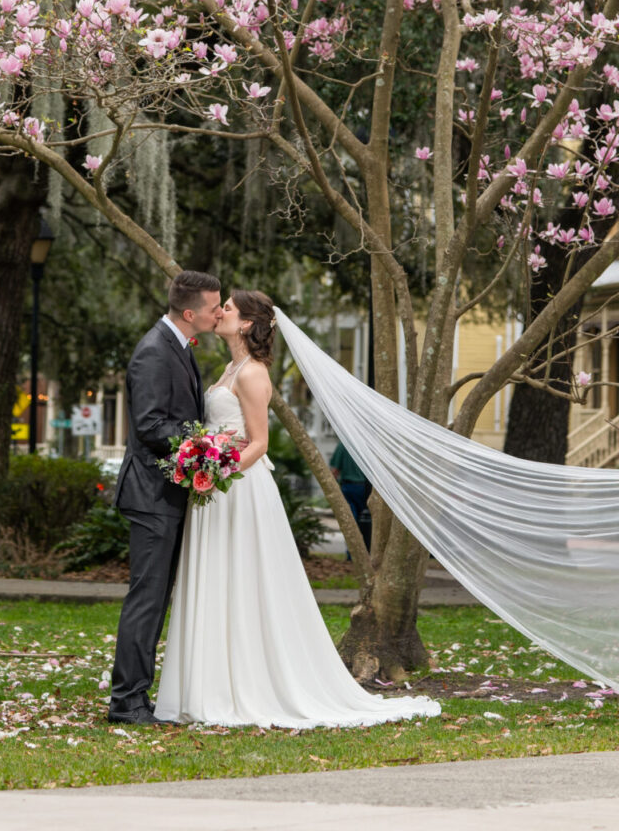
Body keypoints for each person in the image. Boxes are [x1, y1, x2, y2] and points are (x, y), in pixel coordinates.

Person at [154, 290, 442, 728]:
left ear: (248, 324)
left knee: (241, 581)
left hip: (239, 490)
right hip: (215, 488)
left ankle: (242, 685)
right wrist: (203, 462)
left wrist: (216, 472)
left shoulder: (251, 374)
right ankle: (209, 683)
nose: (220, 312)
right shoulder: (229, 369)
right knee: (218, 579)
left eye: (228, 308)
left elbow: (259, 443)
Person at [108, 270, 222, 724]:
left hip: (166, 493)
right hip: (152, 495)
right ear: (191, 312)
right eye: (215, 307)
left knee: (155, 600)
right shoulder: (154, 352)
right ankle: (127, 702)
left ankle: (138, 695)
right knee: (147, 599)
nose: (220, 312)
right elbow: (151, 426)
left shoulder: (177, 346)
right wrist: (204, 442)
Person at [330, 438, 372, 557]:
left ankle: (352, 554)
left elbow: (335, 470)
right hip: (365, 488)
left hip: (348, 487)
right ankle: (365, 552)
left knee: (351, 521)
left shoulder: (343, 445)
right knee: (366, 522)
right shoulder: (365, 445)